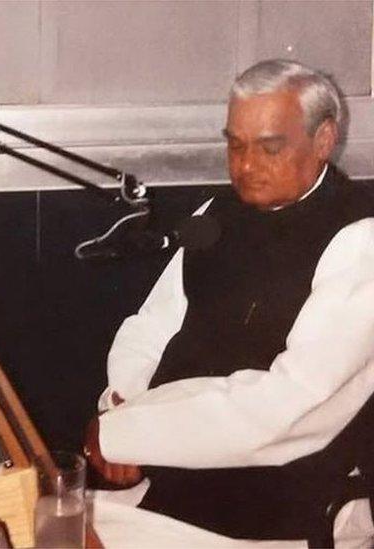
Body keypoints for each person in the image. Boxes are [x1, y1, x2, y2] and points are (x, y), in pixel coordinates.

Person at [84, 58, 374, 543]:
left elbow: (294, 407)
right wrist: (122, 406)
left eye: (269, 148)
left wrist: (128, 435)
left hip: (281, 506)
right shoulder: (215, 214)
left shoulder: (360, 240)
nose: (244, 166)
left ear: (324, 140)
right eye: (234, 145)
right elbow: (152, 329)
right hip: (169, 473)